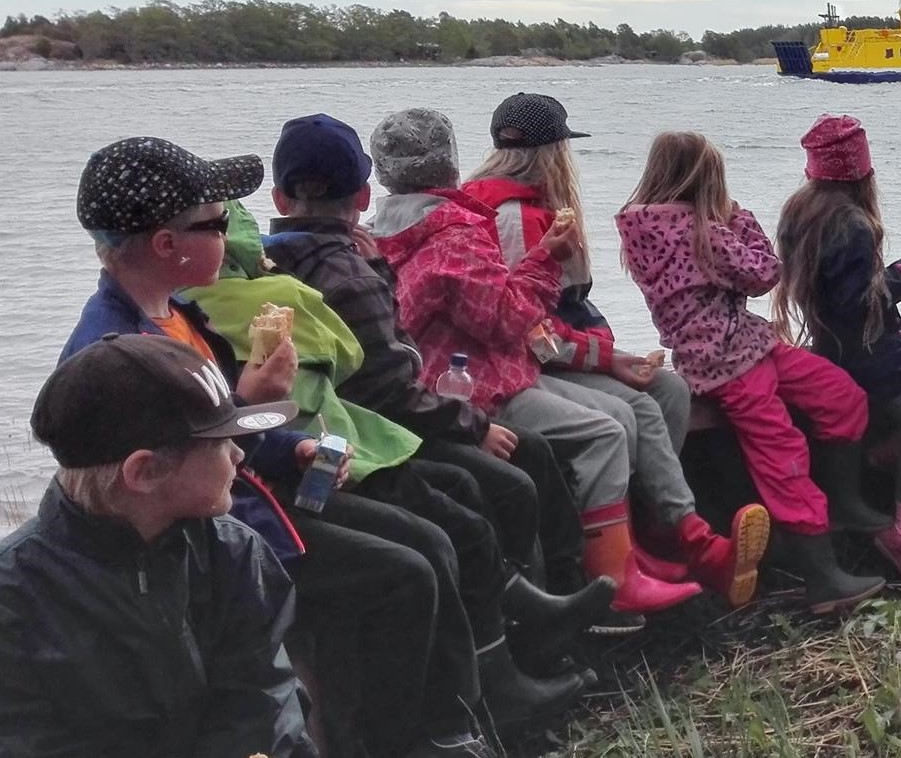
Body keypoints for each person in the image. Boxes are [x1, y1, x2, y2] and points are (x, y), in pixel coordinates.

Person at [62, 136, 484, 757]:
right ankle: (401, 741)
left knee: (427, 538)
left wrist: (291, 450)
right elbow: (159, 472)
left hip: (255, 490)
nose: (236, 233)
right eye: (217, 223)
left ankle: (446, 725)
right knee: (402, 575)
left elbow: (207, 429)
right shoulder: (114, 352)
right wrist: (248, 404)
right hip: (210, 532)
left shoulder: (174, 311)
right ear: (166, 245)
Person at [188, 199, 598, 722]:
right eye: (213, 225)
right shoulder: (299, 284)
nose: (225, 237)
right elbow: (372, 360)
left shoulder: (192, 309)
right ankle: (453, 715)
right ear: (359, 195)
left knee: (469, 499)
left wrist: (289, 444)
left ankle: (516, 646)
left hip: (317, 450)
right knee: (441, 536)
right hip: (286, 482)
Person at [367, 107, 747, 615]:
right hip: (486, 376)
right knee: (616, 422)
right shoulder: (490, 223)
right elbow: (515, 323)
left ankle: (664, 537)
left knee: (661, 395)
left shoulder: (415, 223)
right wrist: (597, 349)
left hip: (483, 364)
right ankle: (623, 564)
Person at [460, 95, 770, 608]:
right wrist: (606, 359)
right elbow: (521, 321)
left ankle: (653, 531)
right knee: (635, 409)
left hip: (554, 348)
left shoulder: (528, 205)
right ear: (553, 151)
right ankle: (679, 542)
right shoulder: (513, 216)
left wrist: (606, 353)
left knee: (668, 390)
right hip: (526, 360)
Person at [265, 112, 588, 599]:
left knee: (515, 465)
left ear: (279, 199)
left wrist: (376, 264)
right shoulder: (372, 264)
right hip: (389, 422)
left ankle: (539, 605)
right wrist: (545, 263)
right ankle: (546, 609)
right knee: (536, 465)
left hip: (350, 423)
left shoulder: (271, 263)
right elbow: (492, 325)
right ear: (362, 196)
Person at [0, 334, 313, 757]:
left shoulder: (235, 553)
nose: (239, 455)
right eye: (221, 442)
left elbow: (263, 703)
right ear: (145, 472)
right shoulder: (16, 599)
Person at [615, 128, 886, 614]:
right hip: (726, 360)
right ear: (705, 180)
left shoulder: (644, 228)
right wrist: (738, 214)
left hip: (740, 346)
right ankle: (820, 574)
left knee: (839, 395)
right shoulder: (701, 231)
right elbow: (764, 273)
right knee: (782, 453)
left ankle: (842, 505)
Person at [776, 115, 901, 593]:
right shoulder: (850, 223)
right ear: (862, 173)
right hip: (864, 351)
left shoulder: (800, 211)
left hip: (859, 340)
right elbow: (853, 305)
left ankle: (890, 452)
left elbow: (839, 293)